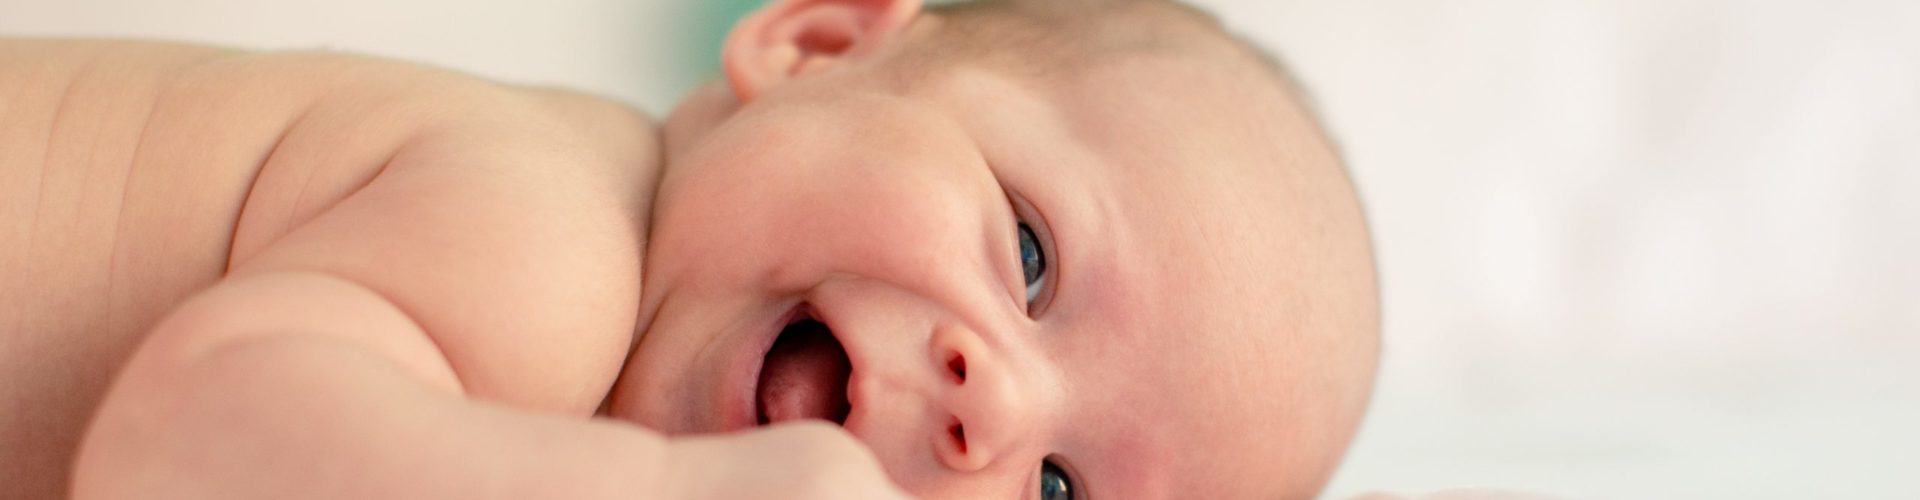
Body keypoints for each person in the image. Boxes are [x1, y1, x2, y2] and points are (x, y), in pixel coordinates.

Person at [2, 0, 1378, 498]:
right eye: (1029, 258)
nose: (997, 411)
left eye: (1062, 499)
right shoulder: (553, 238)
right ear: (816, 48)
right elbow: (177, 454)